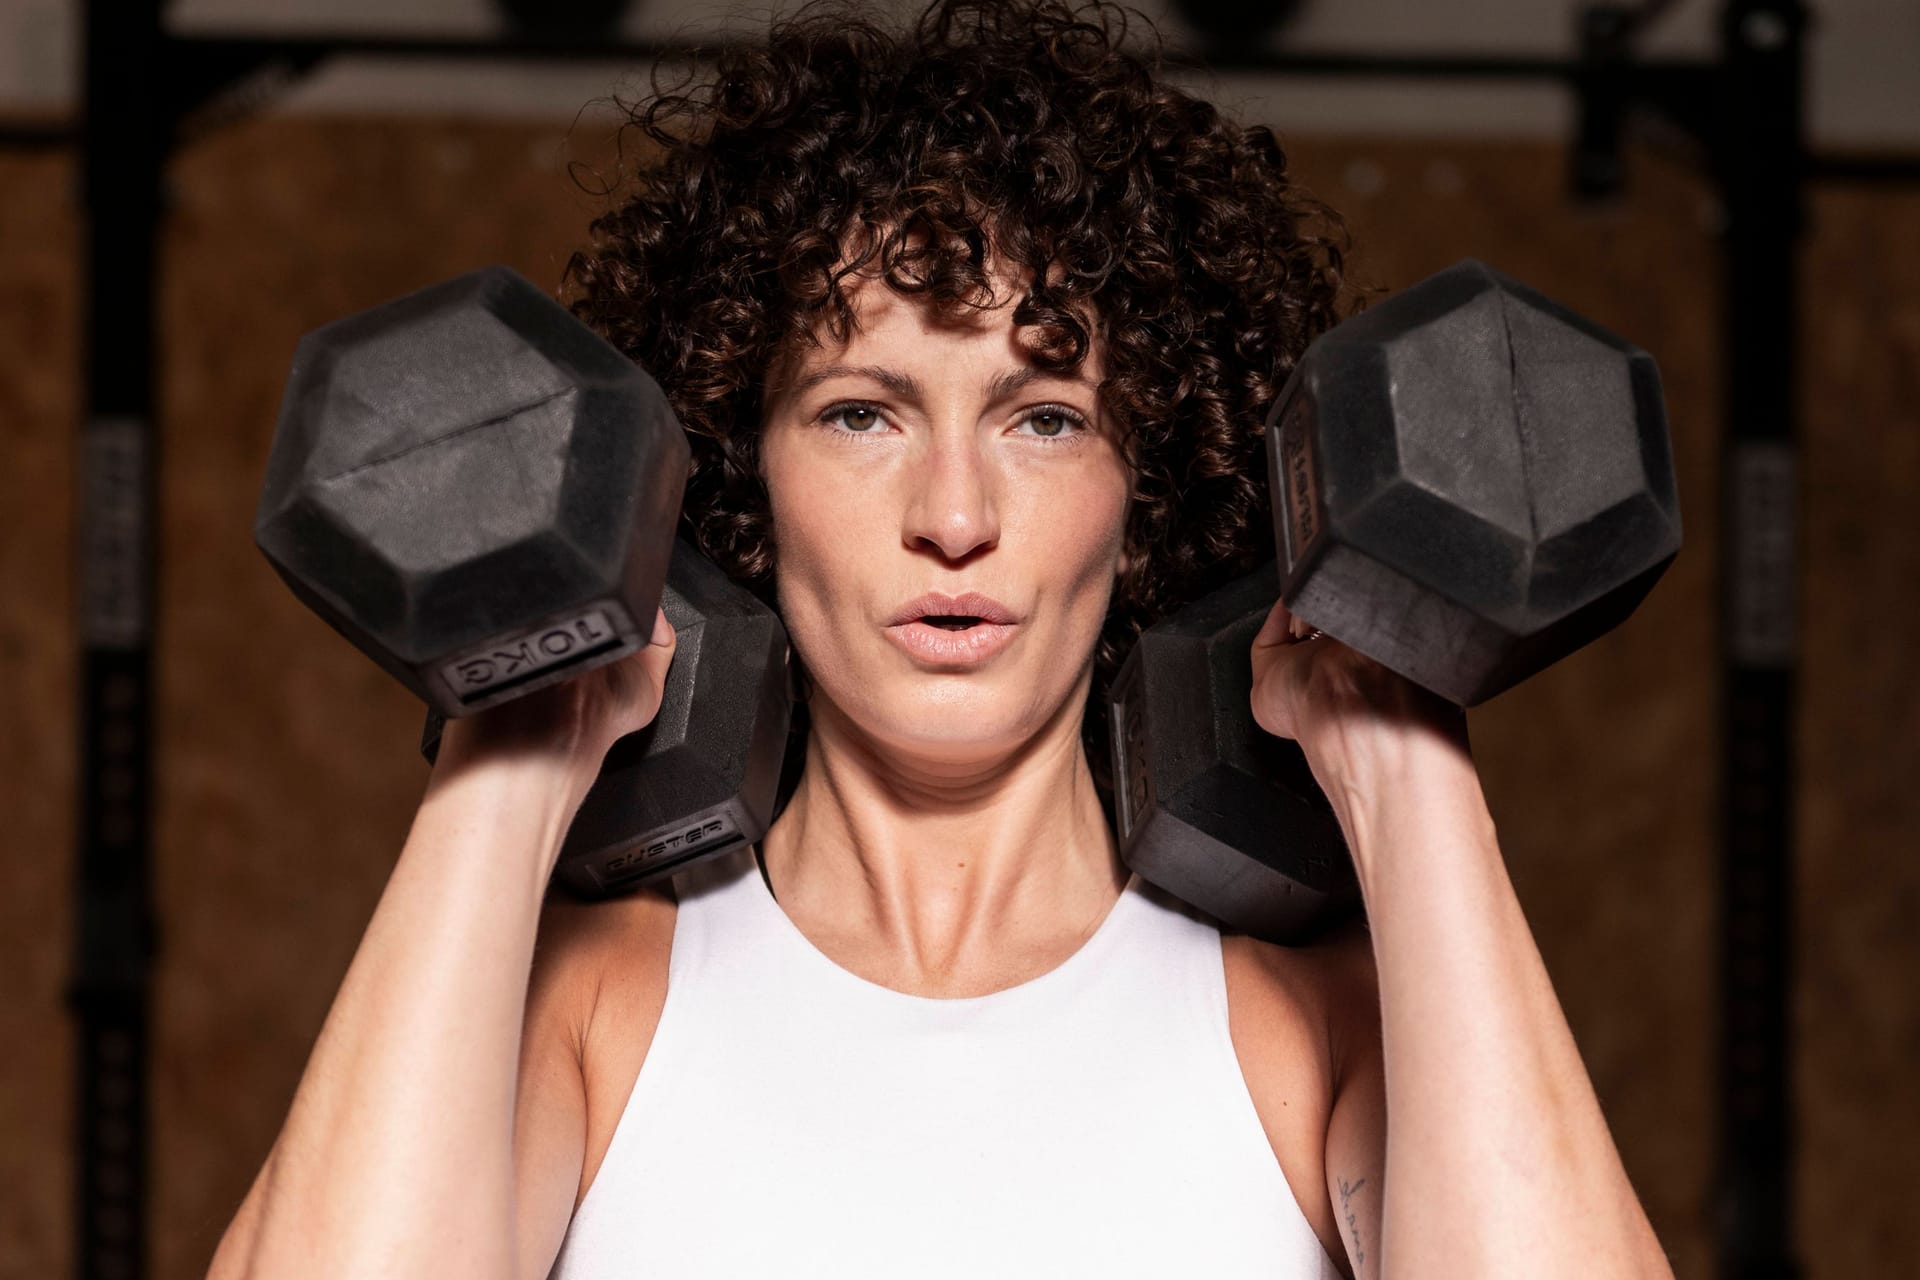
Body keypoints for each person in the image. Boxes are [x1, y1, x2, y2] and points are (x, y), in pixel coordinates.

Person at [208, 2, 1675, 1277]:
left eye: (1043, 419)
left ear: (1141, 492)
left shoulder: (1310, 1035)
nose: (956, 514)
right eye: (863, 413)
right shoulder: (593, 1017)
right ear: (738, 478)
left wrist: (1396, 757)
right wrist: (515, 752)